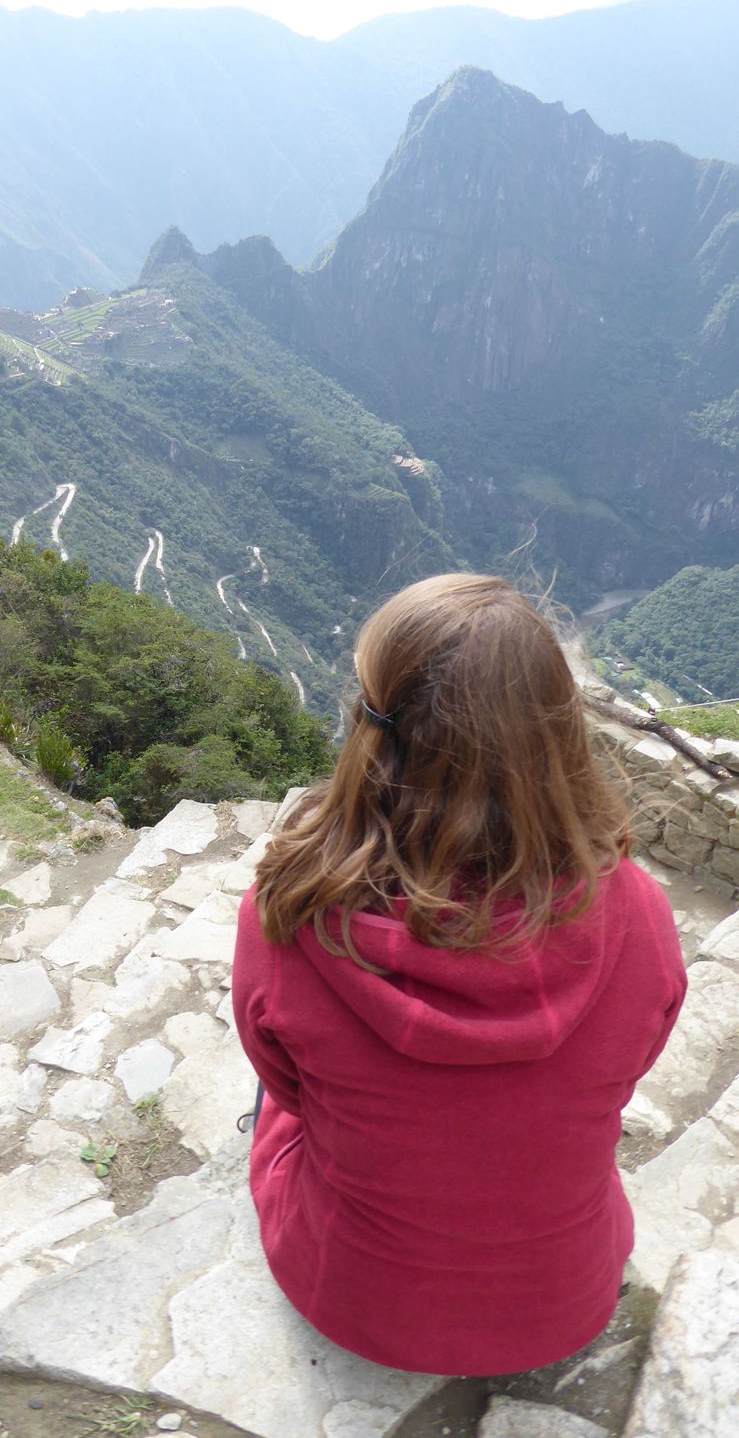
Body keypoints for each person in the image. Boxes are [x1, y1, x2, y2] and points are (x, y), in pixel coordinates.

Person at [232, 573, 685, 1379]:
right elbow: (635, 1057)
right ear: (555, 733)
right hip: (563, 1299)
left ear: (372, 727)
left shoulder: (292, 913)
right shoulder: (636, 914)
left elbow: (289, 1087)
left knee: (272, 1093)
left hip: (348, 1294)